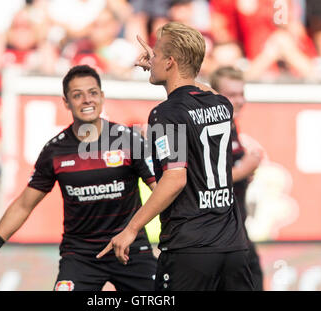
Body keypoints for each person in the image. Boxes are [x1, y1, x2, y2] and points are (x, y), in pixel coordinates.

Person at [0, 65, 158, 291]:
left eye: (93, 93)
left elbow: (161, 190)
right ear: (66, 102)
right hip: (81, 257)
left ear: (102, 97)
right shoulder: (55, 151)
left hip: (130, 251)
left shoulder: (129, 140)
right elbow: (24, 205)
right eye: (77, 95)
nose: (87, 100)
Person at [98, 22, 254, 291]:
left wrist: (131, 228)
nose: (151, 58)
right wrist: (171, 67)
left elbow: (175, 178)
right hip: (234, 249)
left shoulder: (167, 113)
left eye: (156, 54)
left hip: (190, 249)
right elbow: (203, 90)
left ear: (170, 62)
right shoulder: (222, 105)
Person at [210, 66, 264, 290]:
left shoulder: (230, 125)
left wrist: (243, 174)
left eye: (241, 94)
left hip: (236, 230)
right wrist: (244, 169)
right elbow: (206, 178)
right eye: (231, 95)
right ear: (215, 96)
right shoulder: (211, 128)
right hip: (216, 235)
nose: (239, 100)